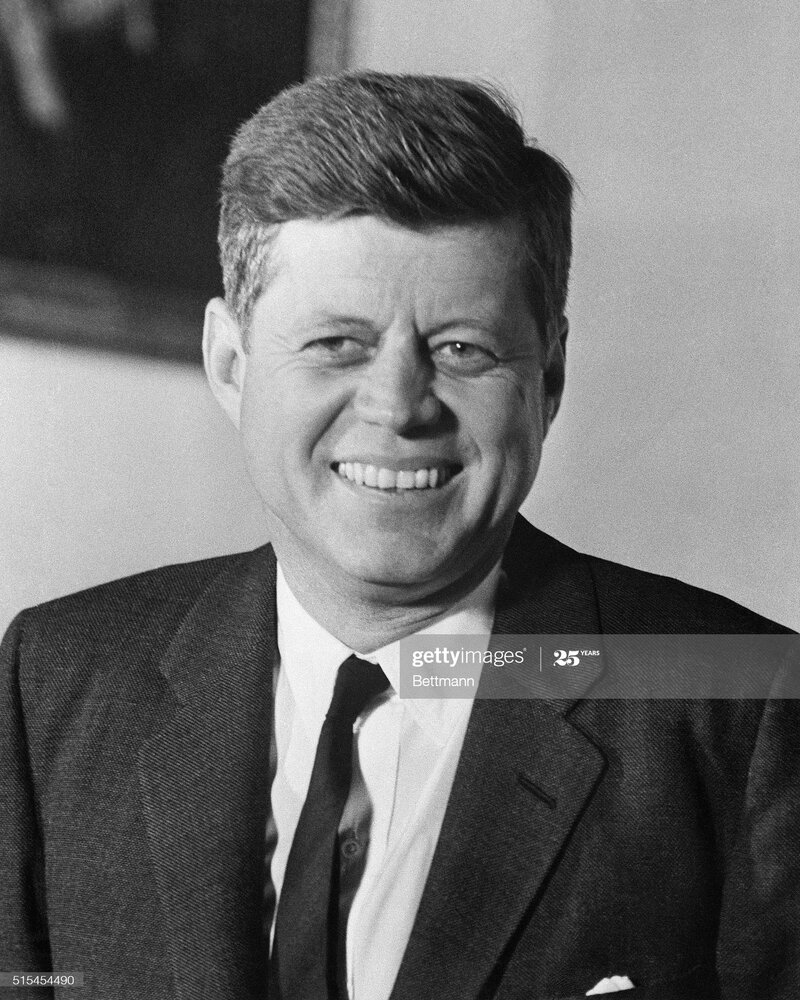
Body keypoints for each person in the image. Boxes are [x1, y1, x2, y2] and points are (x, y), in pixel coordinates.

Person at [1, 72, 797, 1000]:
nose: (397, 406)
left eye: (462, 349)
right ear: (230, 363)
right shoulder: (55, 679)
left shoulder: (745, 709)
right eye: (337, 343)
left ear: (548, 380)